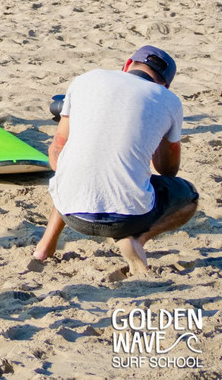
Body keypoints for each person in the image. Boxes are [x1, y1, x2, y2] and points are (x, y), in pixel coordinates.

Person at [31, 46, 198, 278]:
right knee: (189, 196)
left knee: (73, 164)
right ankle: (137, 240)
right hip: (127, 220)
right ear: (165, 85)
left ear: (128, 65)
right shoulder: (169, 101)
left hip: (71, 213)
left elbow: (57, 148)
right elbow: (168, 170)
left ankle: (44, 248)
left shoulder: (85, 80)